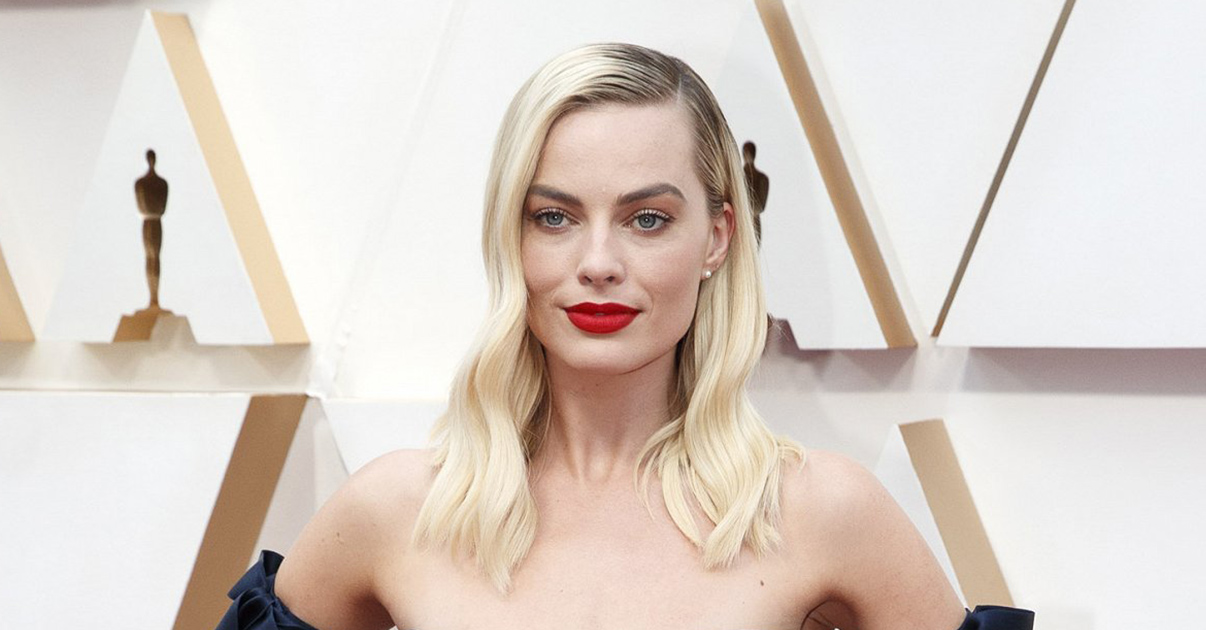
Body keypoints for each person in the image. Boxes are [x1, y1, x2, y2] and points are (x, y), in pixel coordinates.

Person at [214, 43, 1033, 630]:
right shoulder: (394, 511)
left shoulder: (824, 512)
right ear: (511, 235)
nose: (598, 263)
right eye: (555, 217)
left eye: (647, 219)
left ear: (717, 238)